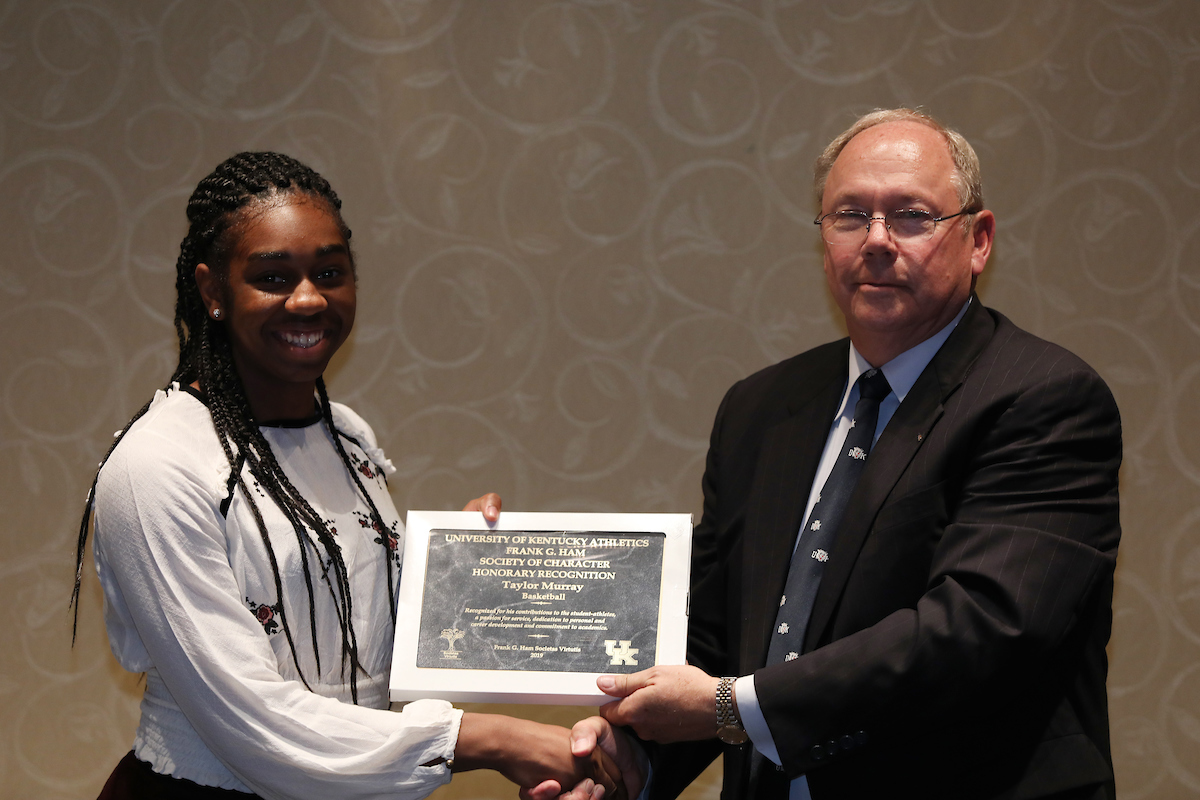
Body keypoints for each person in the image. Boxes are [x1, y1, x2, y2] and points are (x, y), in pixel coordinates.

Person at [584, 109, 1122, 800]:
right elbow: (719, 636)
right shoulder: (761, 408)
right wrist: (633, 760)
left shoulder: (1045, 398)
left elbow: (982, 627)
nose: (876, 241)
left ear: (978, 240)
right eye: (850, 216)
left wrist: (730, 707)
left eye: (911, 217)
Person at [70, 151, 627, 800]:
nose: (309, 298)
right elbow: (251, 723)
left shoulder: (346, 435)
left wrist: (467, 573)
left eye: (330, 272)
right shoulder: (158, 466)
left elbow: (357, 639)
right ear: (213, 291)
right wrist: (495, 739)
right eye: (273, 277)